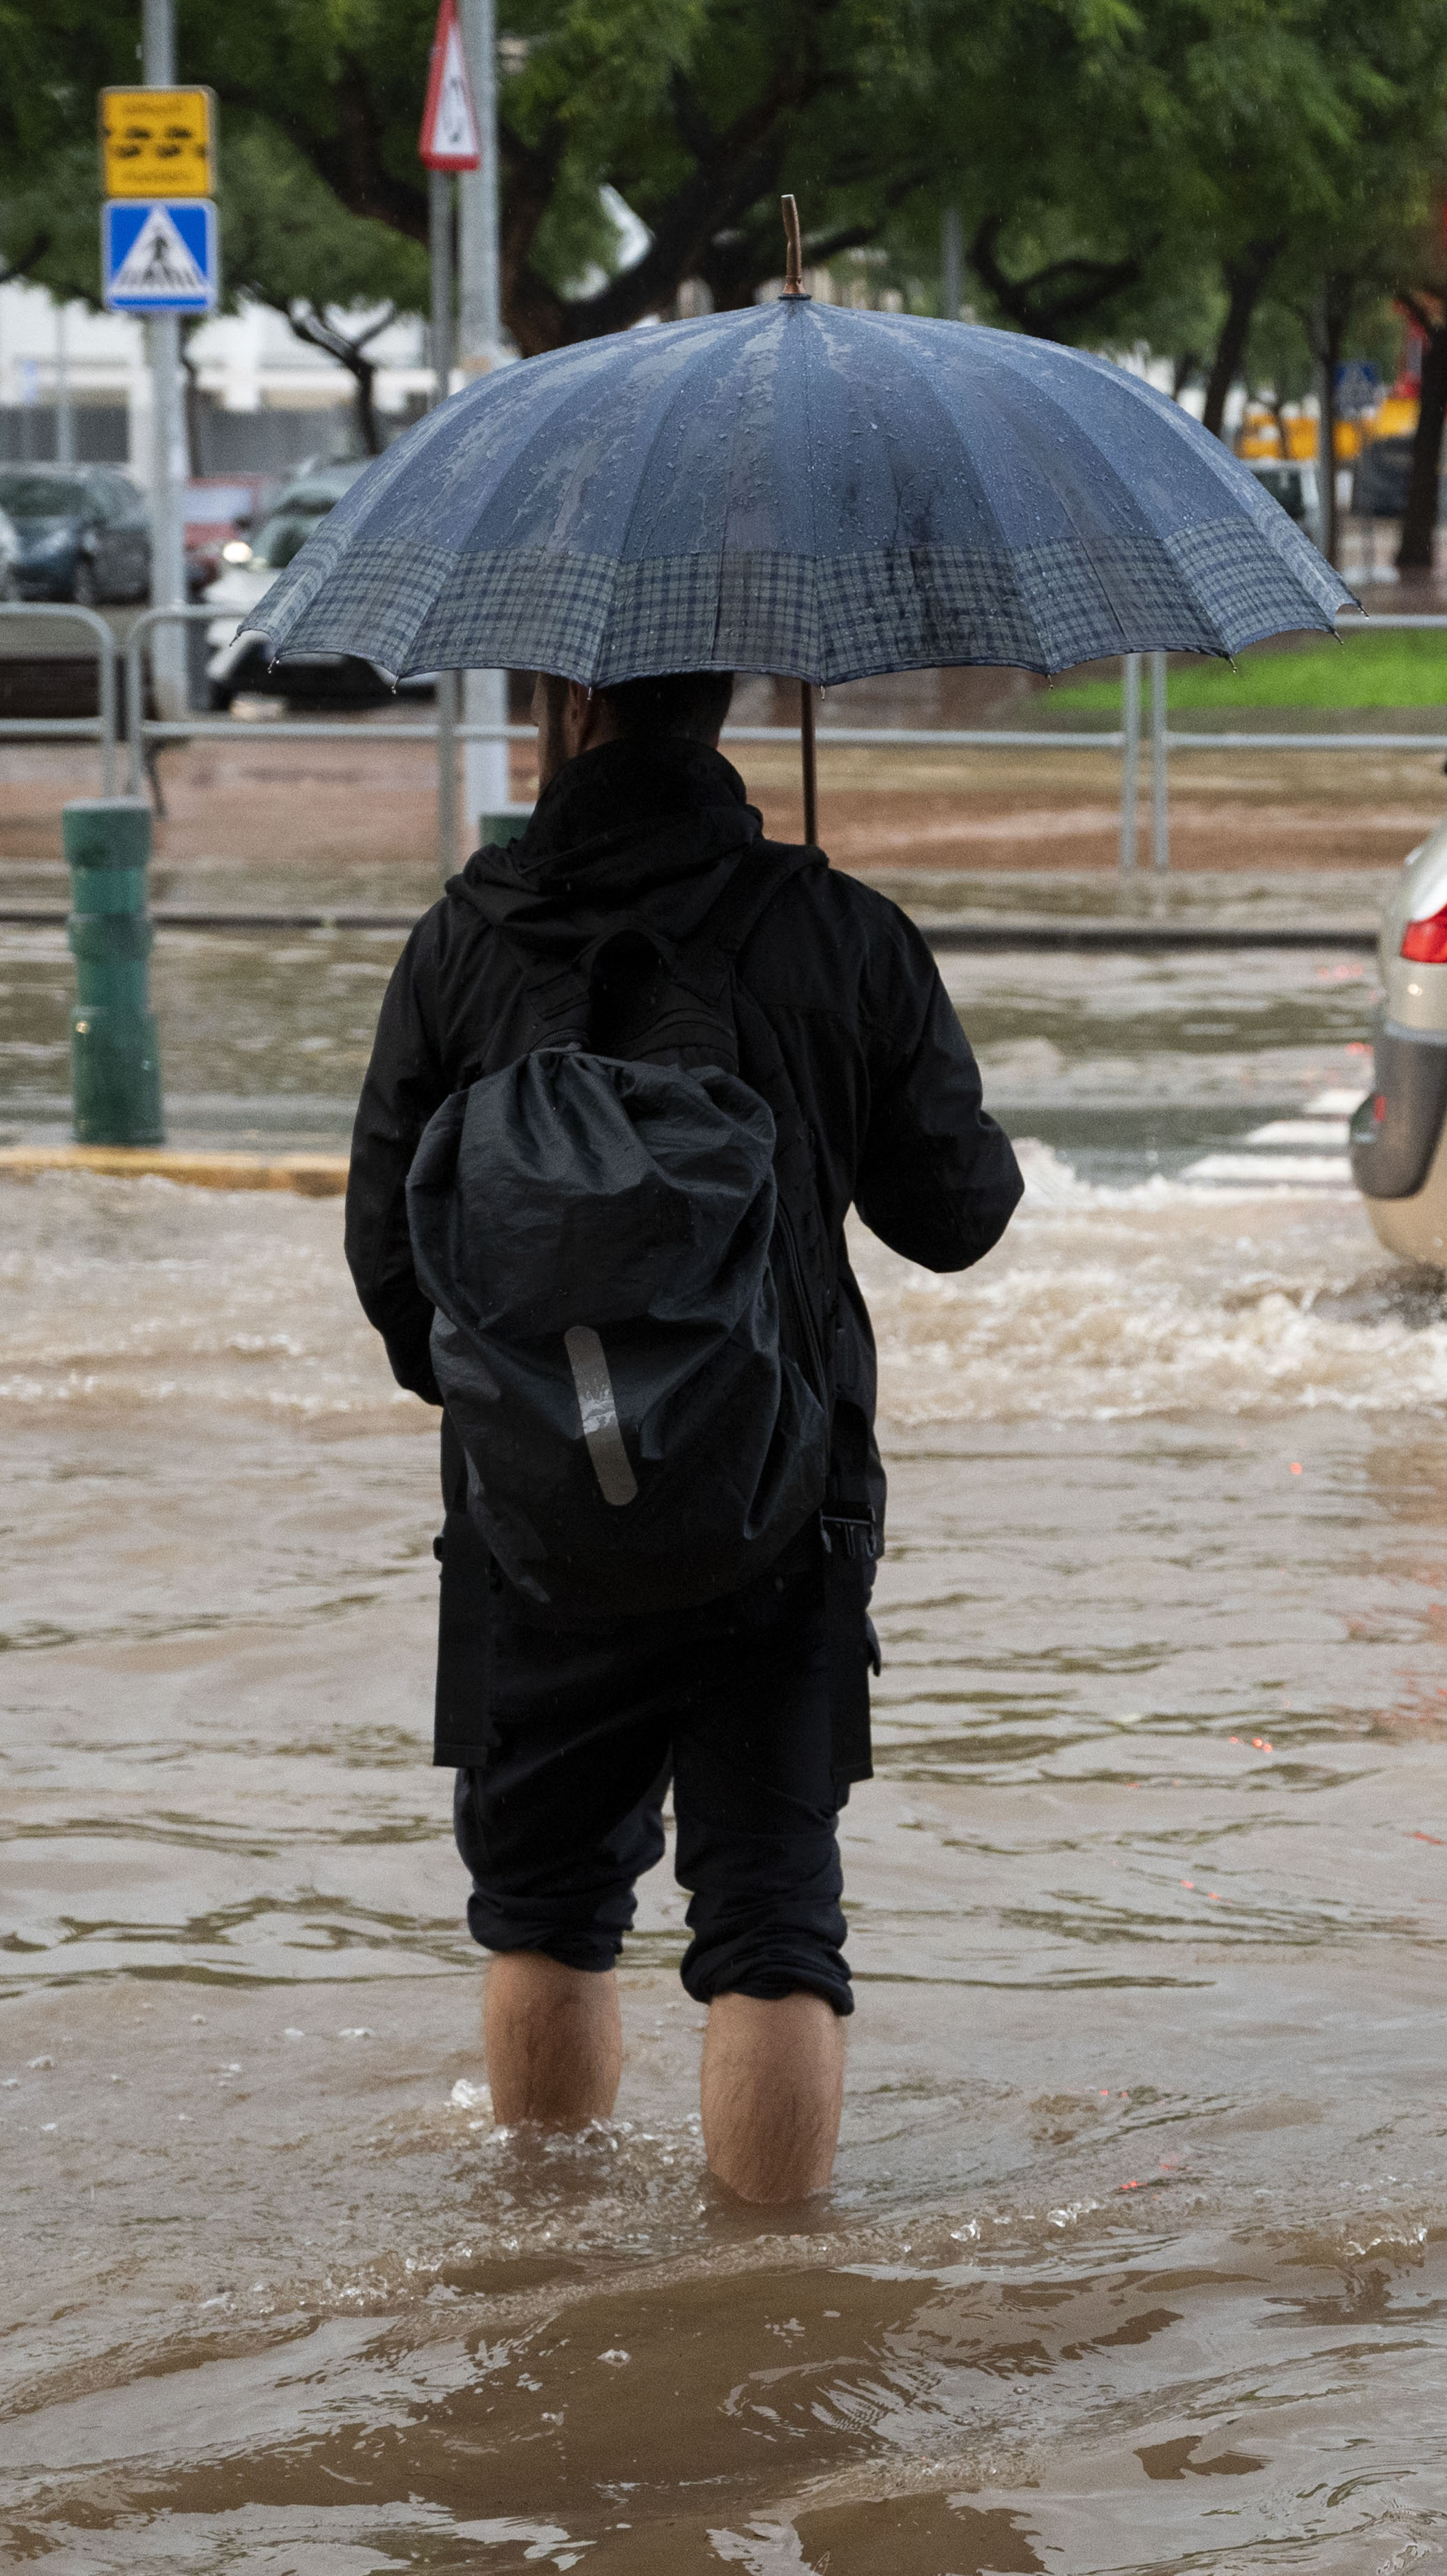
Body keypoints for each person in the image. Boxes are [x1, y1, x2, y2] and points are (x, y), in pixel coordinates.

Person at [347, 669, 1022, 2202]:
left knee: (541, 1906)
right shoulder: (835, 926)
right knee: (773, 1919)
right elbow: (958, 1217)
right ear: (727, 692)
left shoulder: (462, 937)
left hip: (526, 1525)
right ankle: (769, 2306)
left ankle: (544, 2258)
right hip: (782, 1505)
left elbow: (391, 1267)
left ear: (562, 696)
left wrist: (543, 1420)